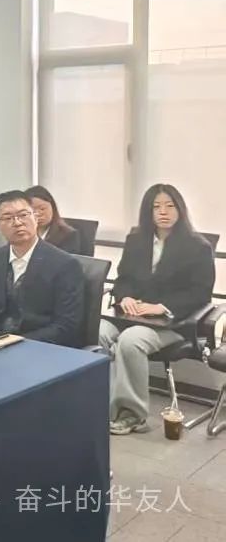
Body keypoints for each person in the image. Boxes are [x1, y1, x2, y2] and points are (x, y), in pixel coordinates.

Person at [99, 184, 214, 435]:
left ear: (180, 209)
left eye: (170, 206)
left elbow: (200, 294)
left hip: (171, 323)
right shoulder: (136, 240)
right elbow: (123, 278)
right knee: (96, 332)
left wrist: (161, 307)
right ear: (148, 211)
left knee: (131, 341)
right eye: (157, 206)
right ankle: (99, 404)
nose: (163, 212)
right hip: (129, 315)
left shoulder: (198, 247)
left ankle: (132, 415)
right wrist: (125, 296)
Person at [0, 190, 85, 348]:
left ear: (35, 218)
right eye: (8, 218)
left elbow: (66, 325)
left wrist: (15, 342)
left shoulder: (64, 264)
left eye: (23, 215)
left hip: (40, 346)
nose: (17, 223)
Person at [26, 185, 81, 254]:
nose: (38, 214)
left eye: (42, 209)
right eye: (32, 210)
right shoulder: (21, 234)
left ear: (53, 207)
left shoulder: (68, 235)